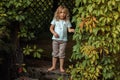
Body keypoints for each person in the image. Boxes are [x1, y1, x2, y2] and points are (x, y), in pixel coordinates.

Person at [48, 5, 75, 73]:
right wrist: (54, 33)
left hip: (63, 41)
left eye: (64, 13)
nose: (62, 14)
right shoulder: (55, 20)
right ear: (58, 13)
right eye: (61, 12)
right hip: (55, 40)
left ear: (66, 14)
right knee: (55, 53)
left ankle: (61, 67)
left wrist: (72, 30)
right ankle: (53, 66)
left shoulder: (67, 21)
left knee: (62, 54)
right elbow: (51, 28)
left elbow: (69, 30)